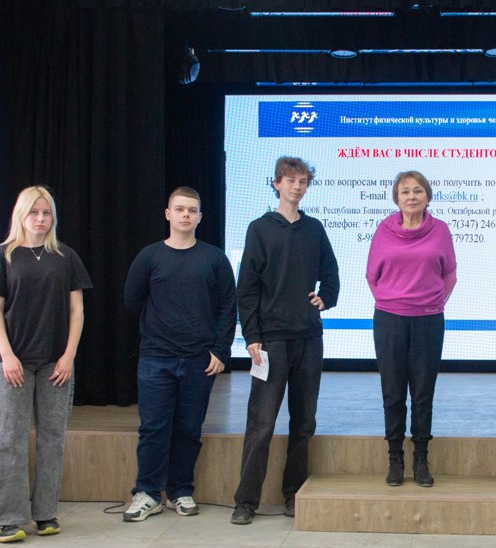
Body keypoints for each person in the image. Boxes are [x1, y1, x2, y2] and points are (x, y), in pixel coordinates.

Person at [231, 157, 340, 525]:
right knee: (261, 424)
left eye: (303, 181)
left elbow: (331, 273)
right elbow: (246, 288)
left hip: (308, 339)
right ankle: (246, 501)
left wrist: (327, 297)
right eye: (290, 180)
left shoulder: (314, 229)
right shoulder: (259, 229)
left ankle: (293, 493)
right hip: (271, 343)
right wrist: (252, 335)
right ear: (276, 184)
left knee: (303, 422)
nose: (297, 186)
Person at [0, 185, 92, 543]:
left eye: (47, 213)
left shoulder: (66, 257)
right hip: (13, 363)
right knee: (9, 439)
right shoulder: (2, 256)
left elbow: (77, 311)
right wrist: (7, 355)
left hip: (55, 364)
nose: (41, 219)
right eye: (34, 212)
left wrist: (69, 356)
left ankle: (45, 513)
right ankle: (6, 519)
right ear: (21, 214)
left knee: (52, 439)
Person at [123, 187, 236, 522]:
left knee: (188, 428)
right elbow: (132, 300)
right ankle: (147, 493)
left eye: (192, 210)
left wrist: (220, 350)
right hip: (156, 358)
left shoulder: (214, 259)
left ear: (200, 217)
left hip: (199, 359)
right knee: (153, 428)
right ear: (168, 214)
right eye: (180, 209)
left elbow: (228, 307)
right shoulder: (150, 256)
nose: (186, 214)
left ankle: (180, 491)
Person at [366, 171, 456, 487]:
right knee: (392, 392)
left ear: (427, 196)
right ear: (396, 198)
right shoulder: (383, 230)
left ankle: (420, 458)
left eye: (418, 190)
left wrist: (429, 304)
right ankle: (395, 457)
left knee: (422, 393)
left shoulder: (441, 230)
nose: (412, 196)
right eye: (405, 191)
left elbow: (449, 275)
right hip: (389, 320)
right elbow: (372, 277)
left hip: (429, 321)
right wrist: (395, 302)